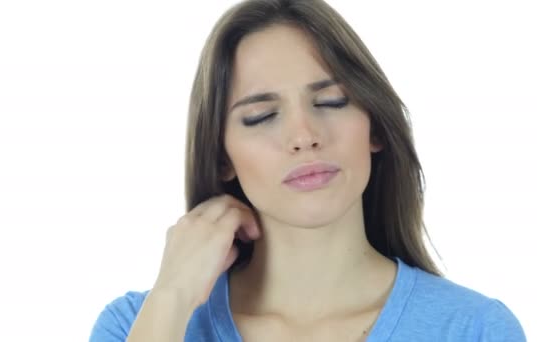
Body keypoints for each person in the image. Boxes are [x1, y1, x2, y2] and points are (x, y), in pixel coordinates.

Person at [89, 0, 526, 341]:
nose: (304, 135)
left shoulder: (476, 329)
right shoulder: (135, 325)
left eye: (331, 102)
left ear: (374, 126)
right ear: (221, 156)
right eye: (261, 115)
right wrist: (172, 297)